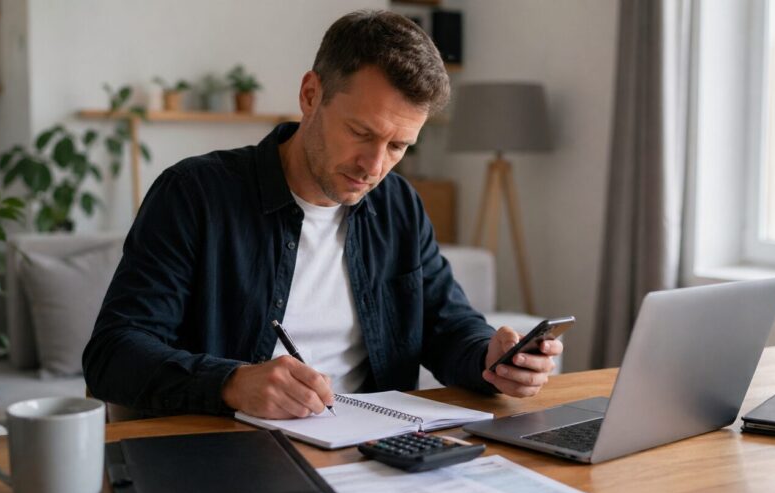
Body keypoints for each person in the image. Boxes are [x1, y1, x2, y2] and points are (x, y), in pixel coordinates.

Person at [83, 10, 562, 420]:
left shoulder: (398, 205)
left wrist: (493, 356)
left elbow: (447, 325)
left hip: (378, 453)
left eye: (398, 146)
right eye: (360, 132)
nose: (374, 167)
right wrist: (231, 382)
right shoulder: (194, 195)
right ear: (311, 95)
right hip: (229, 449)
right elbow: (113, 353)